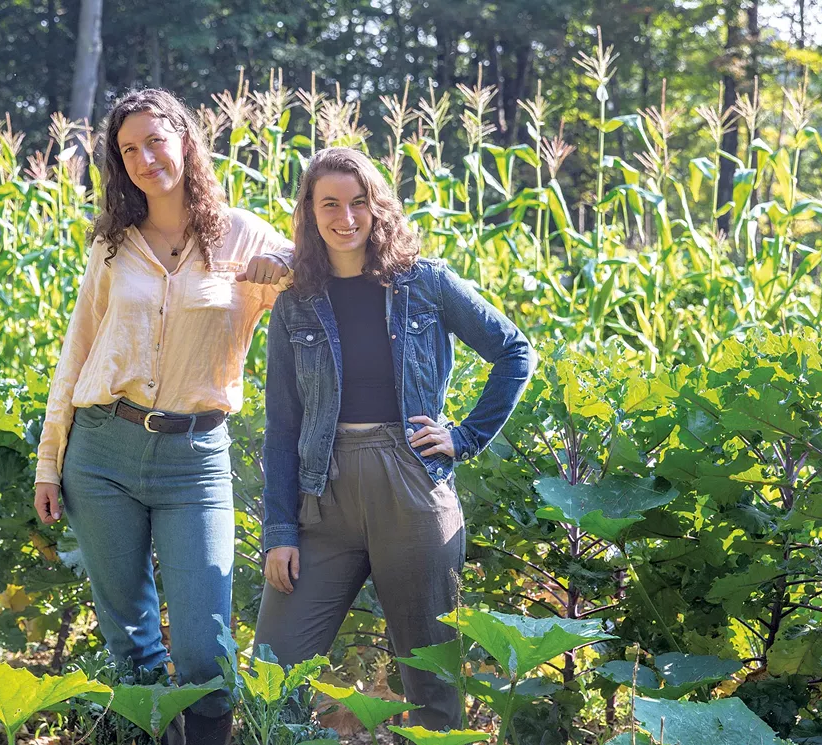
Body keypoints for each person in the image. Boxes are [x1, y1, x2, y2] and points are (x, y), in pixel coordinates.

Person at [32, 88, 292, 745]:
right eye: (128, 150)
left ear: (185, 140)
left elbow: (324, 280)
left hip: (196, 462)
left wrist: (289, 269)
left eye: (155, 140)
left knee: (206, 649)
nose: (145, 157)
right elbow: (78, 348)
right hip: (101, 454)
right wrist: (49, 458)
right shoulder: (115, 244)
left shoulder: (243, 234)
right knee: (133, 645)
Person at [255, 147, 535, 730]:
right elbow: (282, 427)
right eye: (330, 204)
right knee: (271, 672)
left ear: (378, 208)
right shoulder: (296, 304)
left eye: (359, 202)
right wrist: (280, 531)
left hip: (410, 486)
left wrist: (465, 437)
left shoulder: (424, 284)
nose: (346, 218)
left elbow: (514, 350)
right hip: (321, 495)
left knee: (432, 683)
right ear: (309, 211)